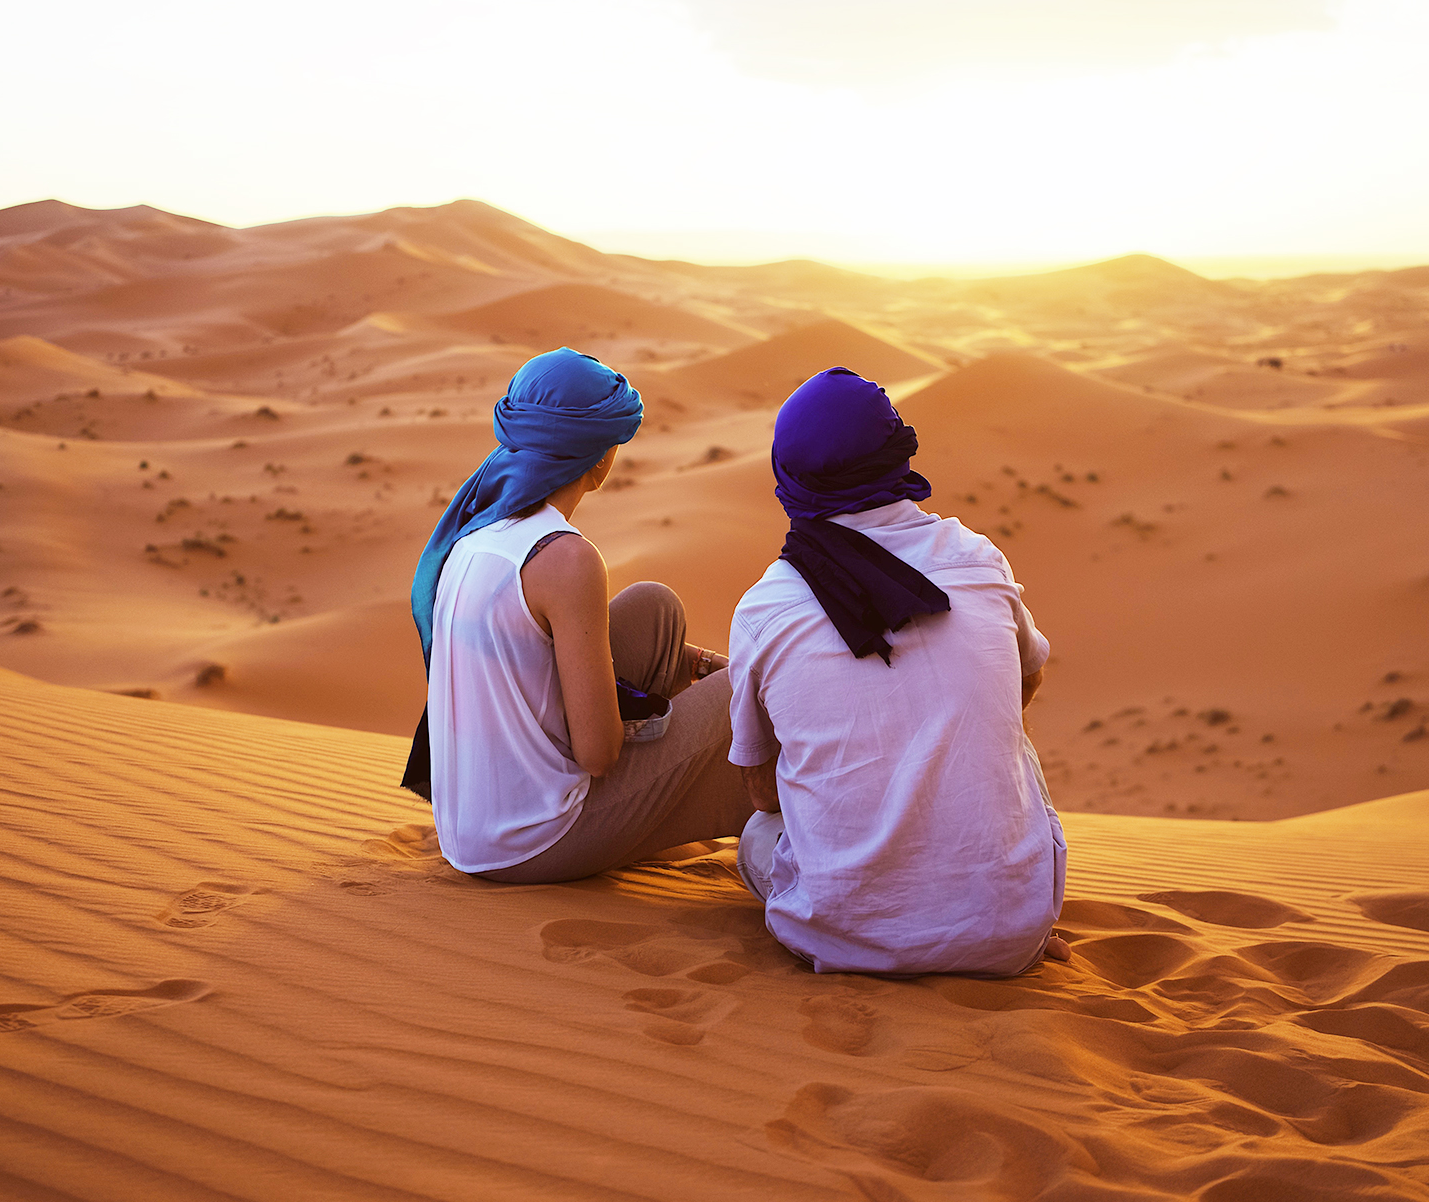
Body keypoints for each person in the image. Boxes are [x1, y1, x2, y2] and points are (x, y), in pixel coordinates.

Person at [727, 367, 1068, 976]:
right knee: (1014, 742)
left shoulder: (765, 606)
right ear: (896, 453)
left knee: (757, 835)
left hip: (837, 939)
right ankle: (993, 901)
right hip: (1012, 939)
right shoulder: (977, 559)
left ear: (787, 474)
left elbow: (761, 792)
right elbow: (1027, 681)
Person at [403, 347, 752, 882]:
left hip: (469, 829)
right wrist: (673, 715)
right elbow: (598, 754)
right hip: (534, 838)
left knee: (654, 608)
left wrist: (697, 667)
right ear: (598, 455)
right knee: (746, 693)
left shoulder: (477, 531)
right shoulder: (564, 558)